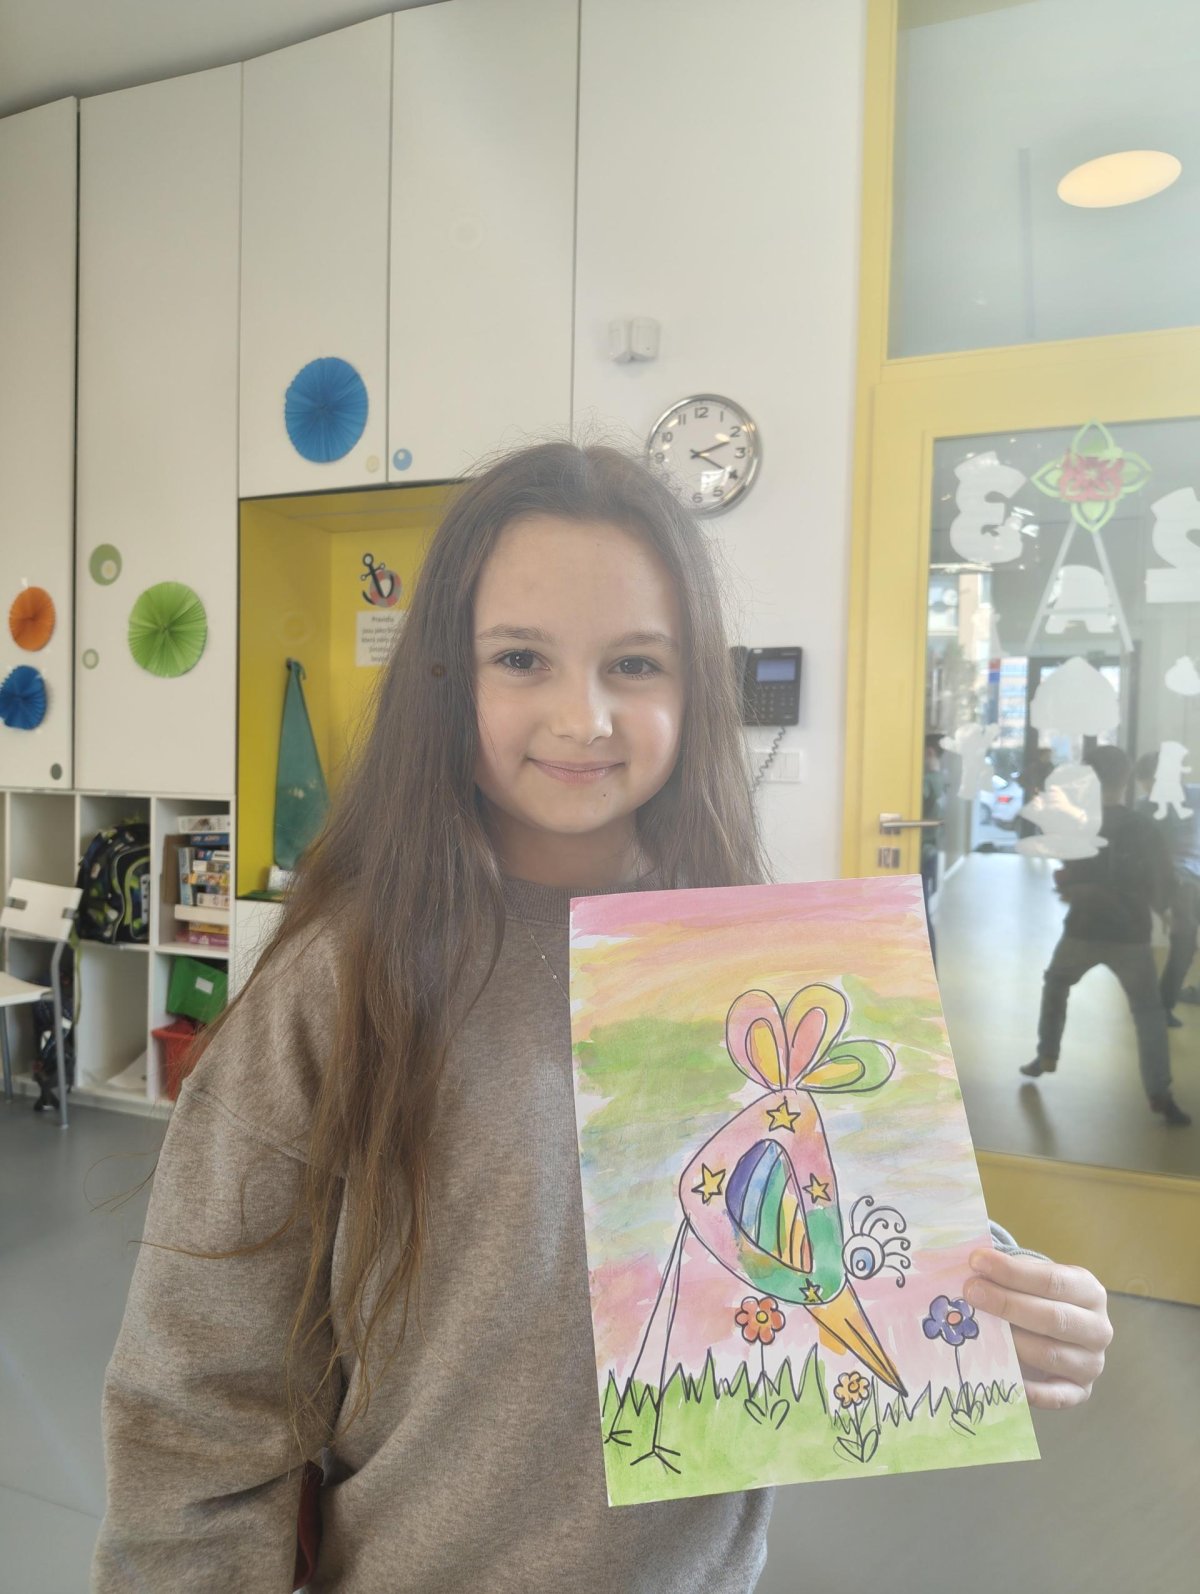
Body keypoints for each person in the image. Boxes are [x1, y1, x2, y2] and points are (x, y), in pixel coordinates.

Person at [93, 444, 1113, 1593]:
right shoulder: (345, 978)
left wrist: (1016, 1293)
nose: (582, 717)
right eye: (521, 658)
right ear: (447, 678)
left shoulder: (749, 962)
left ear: (694, 688)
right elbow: (196, 1409)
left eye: (634, 662)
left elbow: (849, 1206)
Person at [1021, 744, 1190, 1125]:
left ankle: (1047, 1054)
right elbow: (1161, 879)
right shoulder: (1143, 827)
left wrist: (1071, 887)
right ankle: (1160, 1093)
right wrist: (1166, 911)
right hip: (1131, 934)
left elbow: (1067, 874)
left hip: (1083, 929)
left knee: (1056, 982)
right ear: (1126, 779)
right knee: (1148, 1012)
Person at [1133, 749, 1200, 1028]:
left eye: (1148, 784)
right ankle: (1163, 1006)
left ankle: (1164, 1006)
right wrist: (1160, 903)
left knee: (1184, 944)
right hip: (1181, 882)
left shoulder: (1190, 796)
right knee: (1184, 943)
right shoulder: (1147, 808)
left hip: (1185, 880)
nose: (1147, 791)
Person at [921, 734, 945, 965]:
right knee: (924, 911)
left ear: (928, 752)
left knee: (920, 915)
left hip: (921, 852)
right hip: (931, 852)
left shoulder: (927, 782)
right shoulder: (940, 778)